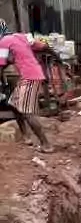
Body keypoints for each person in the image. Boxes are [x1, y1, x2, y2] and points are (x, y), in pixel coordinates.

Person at [0, 21, 52, 151]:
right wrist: (56, 55)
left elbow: (1, 65)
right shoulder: (20, 36)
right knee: (13, 104)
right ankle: (26, 136)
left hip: (30, 77)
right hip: (31, 74)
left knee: (27, 112)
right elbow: (43, 46)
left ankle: (46, 145)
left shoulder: (3, 42)